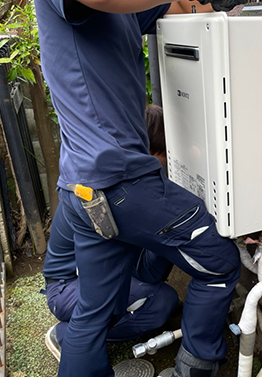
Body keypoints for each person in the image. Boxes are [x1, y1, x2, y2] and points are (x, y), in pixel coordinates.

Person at [31, 0, 257, 375]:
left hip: (87, 188)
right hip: (120, 179)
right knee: (219, 263)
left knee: (97, 313)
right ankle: (194, 370)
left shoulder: (122, 8)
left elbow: (184, 3)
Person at [43, 103, 177, 361]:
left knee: (159, 286)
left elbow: (147, 269)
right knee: (160, 303)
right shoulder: (108, 188)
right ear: (148, 151)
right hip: (67, 286)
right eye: (165, 154)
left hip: (108, 270)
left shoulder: (125, 178)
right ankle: (68, 336)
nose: (168, 162)